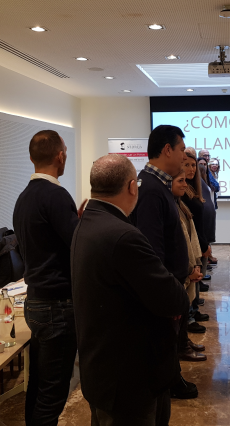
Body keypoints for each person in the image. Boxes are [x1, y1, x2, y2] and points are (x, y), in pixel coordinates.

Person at [72, 154, 190, 426]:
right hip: (128, 380)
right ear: (131, 187)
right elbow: (175, 299)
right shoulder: (124, 236)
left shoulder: (86, 221)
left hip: (101, 370)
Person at [12, 130, 87, 426]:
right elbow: (77, 247)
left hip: (36, 302)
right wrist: (82, 228)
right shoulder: (56, 196)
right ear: (60, 156)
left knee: (38, 386)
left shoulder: (24, 198)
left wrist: (73, 223)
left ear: (32, 157)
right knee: (52, 395)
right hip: (58, 305)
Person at [130, 125, 197, 399]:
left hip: (170, 283)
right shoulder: (151, 189)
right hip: (164, 287)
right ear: (167, 149)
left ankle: (170, 379)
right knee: (163, 341)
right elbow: (152, 250)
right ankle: (166, 385)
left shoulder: (156, 185)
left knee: (169, 340)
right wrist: (167, 292)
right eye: (181, 150)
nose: (184, 156)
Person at [172, 168, 207, 361]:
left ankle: (184, 340)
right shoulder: (171, 206)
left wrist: (196, 263)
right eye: (180, 181)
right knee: (180, 308)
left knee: (185, 307)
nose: (185, 185)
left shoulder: (180, 204)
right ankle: (181, 345)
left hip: (189, 264)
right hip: (181, 268)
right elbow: (180, 242)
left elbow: (190, 234)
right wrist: (189, 269)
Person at [182, 151, 211, 327]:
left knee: (198, 277)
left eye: (193, 165)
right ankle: (190, 315)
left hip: (200, 240)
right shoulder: (181, 191)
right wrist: (203, 244)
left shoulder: (193, 189)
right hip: (194, 242)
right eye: (187, 165)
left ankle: (194, 310)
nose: (191, 169)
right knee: (193, 278)